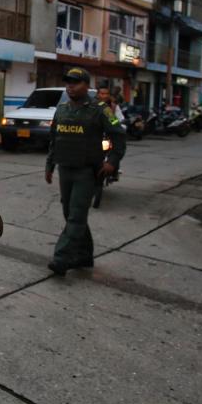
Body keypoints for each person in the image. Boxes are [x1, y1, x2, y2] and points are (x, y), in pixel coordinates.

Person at [45, 68, 126, 275]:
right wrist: (49, 165)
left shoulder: (100, 109)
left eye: (76, 82)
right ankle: (84, 256)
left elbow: (118, 135)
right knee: (70, 214)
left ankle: (61, 258)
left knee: (76, 216)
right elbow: (54, 139)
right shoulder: (62, 109)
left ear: (87, 86)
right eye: (68, 82)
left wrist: (113, 162)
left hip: (87, 171)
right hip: (65, 168)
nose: (71, 86)